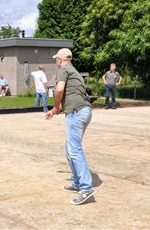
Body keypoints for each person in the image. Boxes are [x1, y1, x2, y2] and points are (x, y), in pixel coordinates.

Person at [46, 48, 94, 205]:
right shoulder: (74, 70)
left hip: (77, 112)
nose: (56, 62)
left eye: (56, 60)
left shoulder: (64, 69)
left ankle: (86, 188)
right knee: (69, 149)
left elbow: (59, 89)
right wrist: (57, 110)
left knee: (74, 149)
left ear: (60, 60)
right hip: (83, 110)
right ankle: (77, 182)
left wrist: (54, 107)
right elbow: (71, 94)